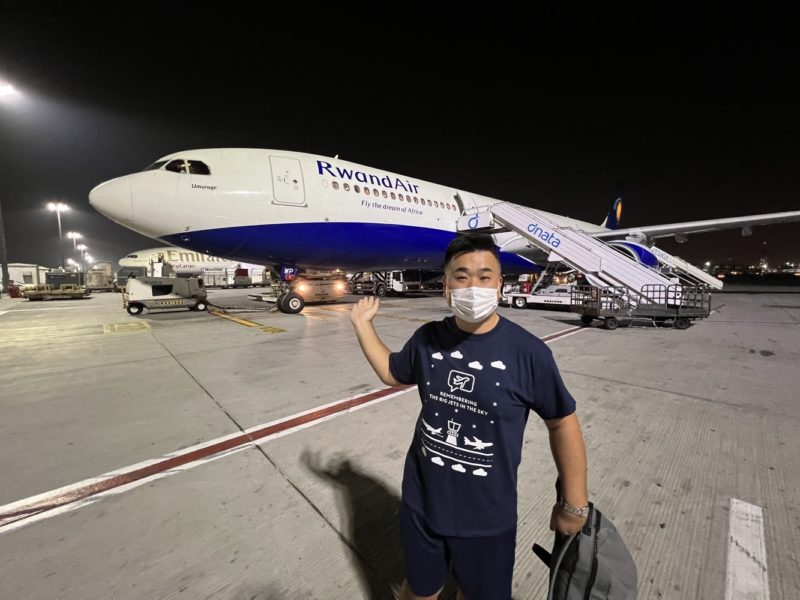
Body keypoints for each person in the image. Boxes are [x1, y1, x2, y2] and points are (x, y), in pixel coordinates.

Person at [350, 233, 588, 600]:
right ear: (446, 287)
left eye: (484, 276)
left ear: (499, 284)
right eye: (461, 277)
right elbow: (392, 372)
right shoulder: (427, 339)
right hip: (421, 505)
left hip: (487, 518)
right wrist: (363, 324)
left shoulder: (529, 354)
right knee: (421, 590)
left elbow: (562, 421)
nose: (472, 286)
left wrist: (573, 503)